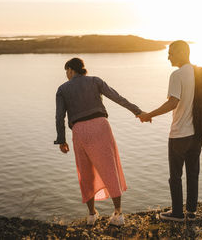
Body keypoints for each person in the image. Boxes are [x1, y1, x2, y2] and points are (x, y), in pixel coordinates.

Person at [138, 40, 202, 222]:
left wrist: (149, 114)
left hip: (179, 134)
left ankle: (177, 213)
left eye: (171, 52)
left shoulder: (177, 75)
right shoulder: (201, 73)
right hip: (197, 134)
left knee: (175, 176)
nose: (168, 56)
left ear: (180, 53)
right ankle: (192, 212)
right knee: (193, 173)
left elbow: (173, 102)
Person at [54, 57, 145, 226]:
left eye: (66, 71)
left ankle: (91, 215)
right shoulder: (95, 81)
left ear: (71, 70)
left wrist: (61, 139)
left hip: (80, 131)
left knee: (85, 172)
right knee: (110, 168)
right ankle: (118, 214)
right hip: (101, 126)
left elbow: (60, 116)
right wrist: (137, 111)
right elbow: (117, 97)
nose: (66, 75)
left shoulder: (62, 89)